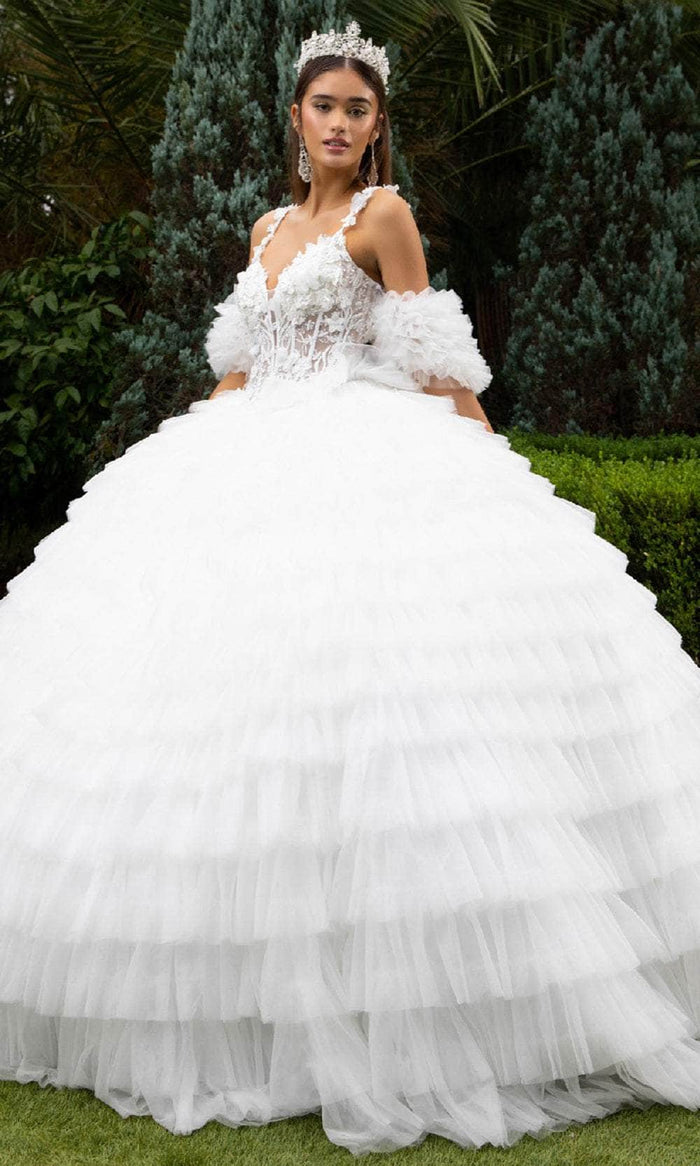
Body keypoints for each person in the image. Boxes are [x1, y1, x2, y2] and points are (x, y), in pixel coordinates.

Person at [1, 18, 700, 1159]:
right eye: (323, 106)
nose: (338, 123)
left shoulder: (385, 217)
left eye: (357, 109)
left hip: (359, 446)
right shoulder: (267, 228)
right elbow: (239, 365)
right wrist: (181, 459)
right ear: (296, 118)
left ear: (377, 127)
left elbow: (428, 350)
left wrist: (490, 467)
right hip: (248, 453)